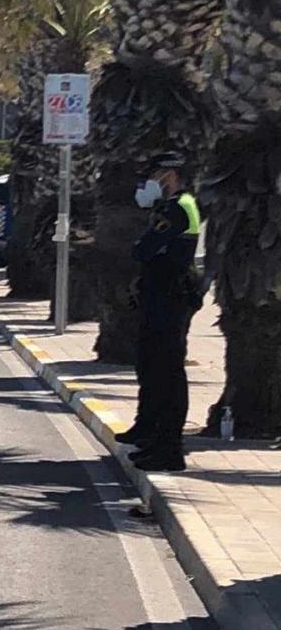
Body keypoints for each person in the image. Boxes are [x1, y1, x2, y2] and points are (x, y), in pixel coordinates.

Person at [115, 151, 203, 472]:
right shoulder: (170, 207)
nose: (150, 181)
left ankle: (169, 448)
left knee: (167, 373)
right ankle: (151, 434)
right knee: (150, 367)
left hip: (171, 297)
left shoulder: (180, 208)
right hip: (159, 296)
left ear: (170, 175)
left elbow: (144, 249)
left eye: (155, 174)